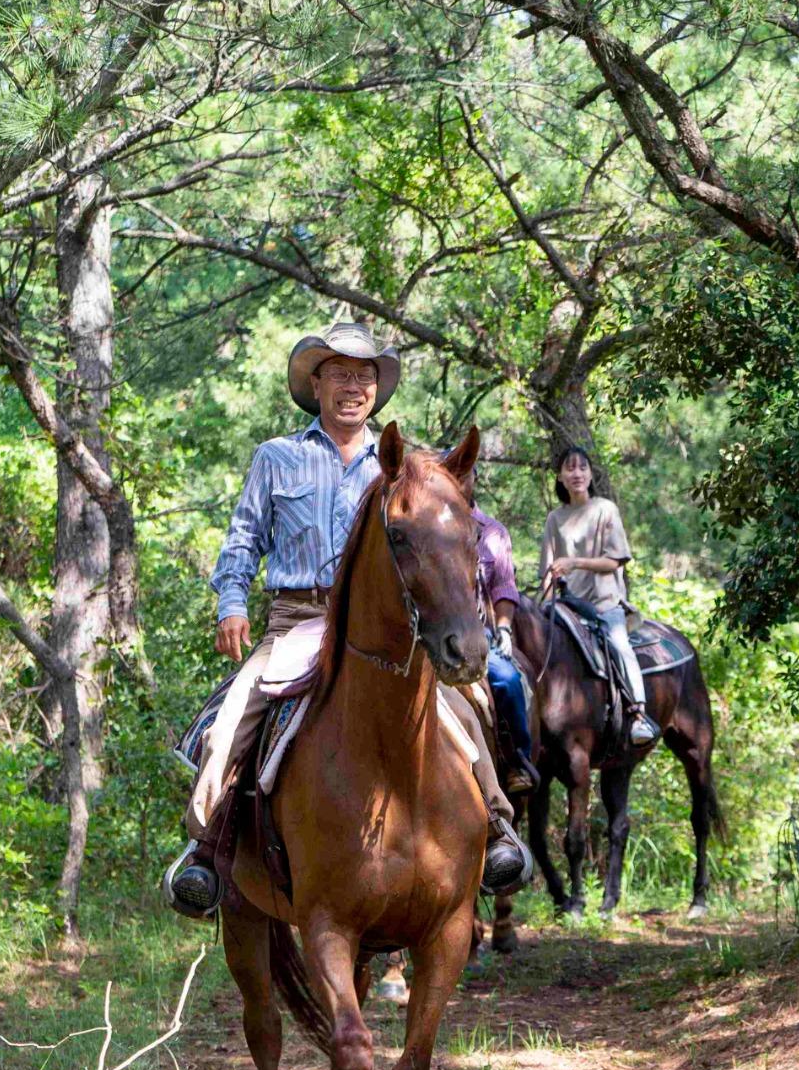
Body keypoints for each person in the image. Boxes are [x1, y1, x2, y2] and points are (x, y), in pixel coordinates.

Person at [163, 322, 528, 918]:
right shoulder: (276, 457)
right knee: (233, 716)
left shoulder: (404, 470)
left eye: (364, 377)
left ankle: (494, 825)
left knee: (468, 704)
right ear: (317, 383)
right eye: (340, 374)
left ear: (377, 390)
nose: (353, 386)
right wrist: (232, 602)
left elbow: (452, 529)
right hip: (296, 619)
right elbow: (242, 541)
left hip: (382, 630)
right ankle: (205, 847)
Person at [541, 448, 656, 746]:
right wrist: (542, 602)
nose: (577, 473)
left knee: (619, 645)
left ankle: (639, 714)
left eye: (582, 468)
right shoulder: (555, 518)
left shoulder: (605, 509)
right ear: (560, 477)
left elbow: (615, 561)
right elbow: (548, 570)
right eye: (570, 468)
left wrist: (574, 562)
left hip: (603, 605)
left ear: (591, 475)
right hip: (567, 607)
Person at [474, 503, 538, 794]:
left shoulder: (492, 532)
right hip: (429, 632)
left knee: (509, 680)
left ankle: (517, 760)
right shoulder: (428, 522)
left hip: (477, 631)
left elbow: (503, 587)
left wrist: (503, 628)